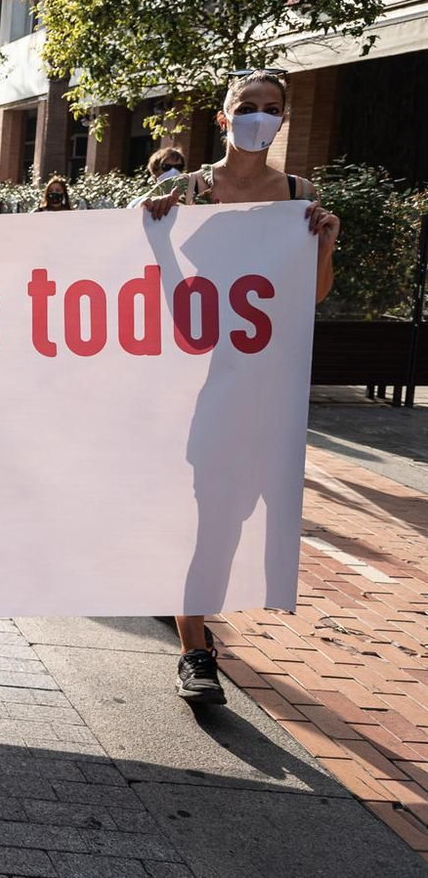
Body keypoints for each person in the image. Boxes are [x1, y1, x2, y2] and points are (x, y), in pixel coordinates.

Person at [143, 69, 339, 705]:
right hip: (197, 386)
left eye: (271, 108)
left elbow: (305, 299)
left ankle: (189, 617)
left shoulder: (299, 195)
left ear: (283, 119)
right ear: (224, 118)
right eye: (247, 107)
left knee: (236, 520)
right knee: (211, 521)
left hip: (263, 394)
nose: (260, 117)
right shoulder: (186, 189)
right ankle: (196, 649)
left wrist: (324, 248)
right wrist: (152, 221)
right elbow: (141, 270)